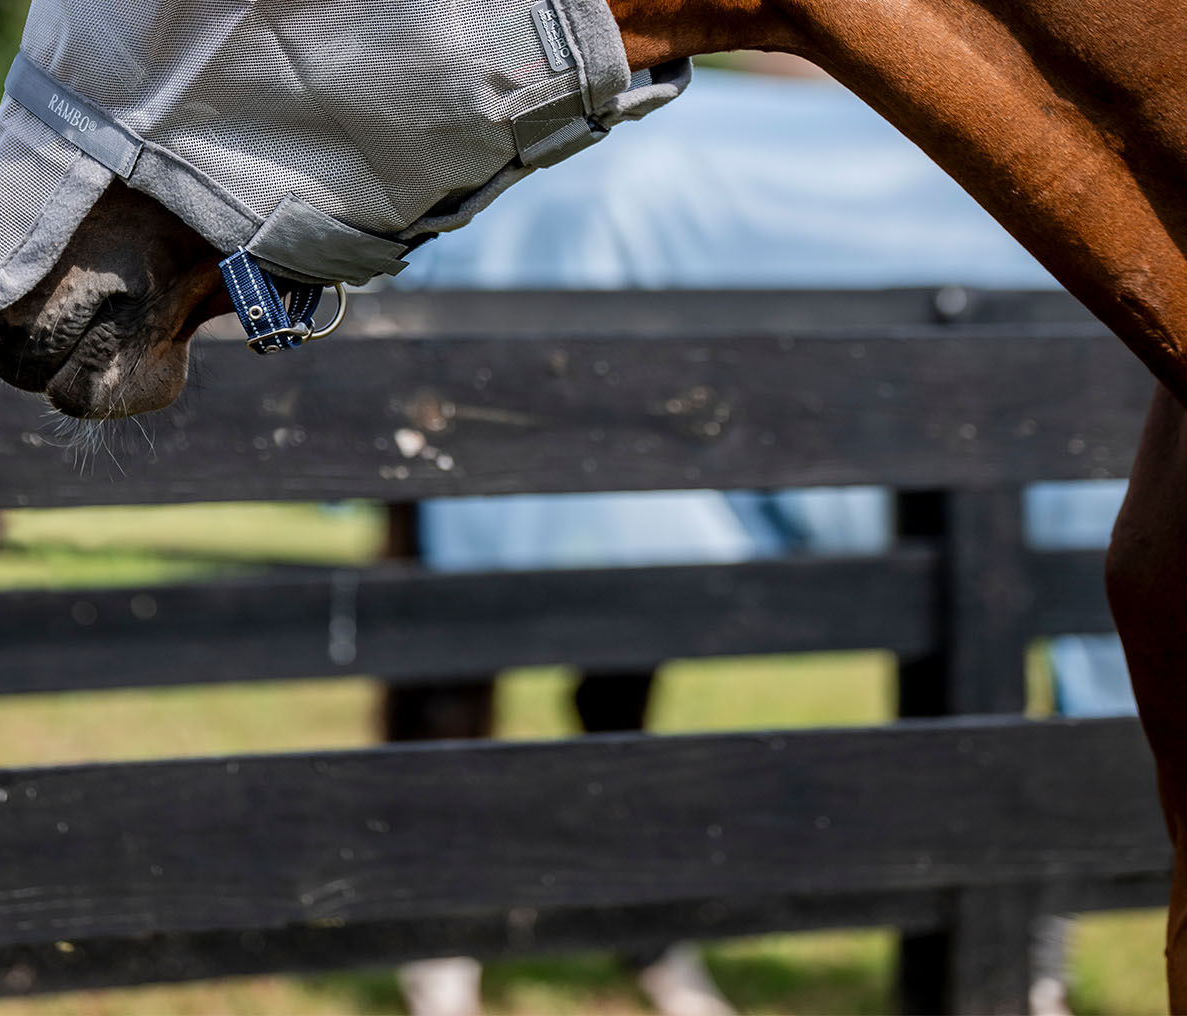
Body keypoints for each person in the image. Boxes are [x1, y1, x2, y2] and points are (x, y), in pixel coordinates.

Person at [382, 59, 1135, 1016]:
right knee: (509, 626)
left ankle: (653, 938)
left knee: (620, 673)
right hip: (606, 263)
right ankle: (447, 943)